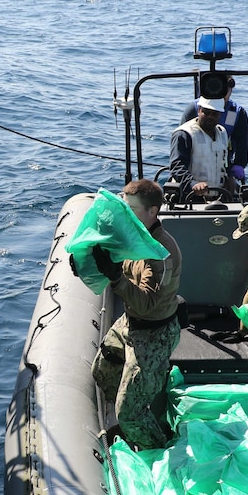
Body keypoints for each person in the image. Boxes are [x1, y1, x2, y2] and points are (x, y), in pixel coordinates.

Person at [89, 179, 183, 450]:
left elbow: (147, 304)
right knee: (103, 369)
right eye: (125, 206)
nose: (126, 213)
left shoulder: (160, 253)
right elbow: (110, 255)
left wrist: (115, 277)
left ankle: (159, 450)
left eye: (132, 208)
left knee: (128, 413)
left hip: (154, 332)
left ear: (153, 211)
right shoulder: (134, 235)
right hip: (130, 323)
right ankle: (136, 414)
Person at [180, 76, 248, 182]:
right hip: (195, 167)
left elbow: (242, 143)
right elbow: (181, 146)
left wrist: (239, 165)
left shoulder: (234, 113)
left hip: (222, 165)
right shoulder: (194, 109)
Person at [170, 96, 235, 199]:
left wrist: (230, 176)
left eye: (214, 114)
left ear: (220, 115)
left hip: (219, 196)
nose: (210, 117)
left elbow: (225, 160)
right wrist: (193, 184)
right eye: (206, 112)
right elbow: (177, 167)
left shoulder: (222, 133)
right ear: (199, 110)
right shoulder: (184, 134)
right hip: (190, 197)